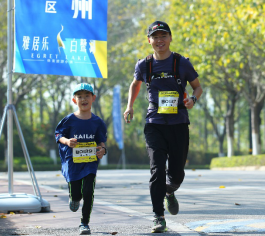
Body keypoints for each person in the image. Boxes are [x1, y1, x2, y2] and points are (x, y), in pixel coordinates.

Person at [124, 20, 203, 234]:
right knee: (157, 169)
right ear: (149, 40)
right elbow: (135, 83)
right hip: (154, 123)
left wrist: (192, 101)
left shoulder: (181, 63)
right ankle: (158, 216)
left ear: (170, 38)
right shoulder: (144, 65)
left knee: (176, 174)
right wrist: (130, 106)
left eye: (163, 36)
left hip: (178, 123)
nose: (159, 40)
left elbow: (197, 88)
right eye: (155, 37)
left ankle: (169, 191)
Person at [55, 82, 107, 235]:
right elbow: (58, 135)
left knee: (88, 191)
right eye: (79, 97)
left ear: (93, 98)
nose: (83, 99)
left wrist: (102, 150)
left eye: (87, 96)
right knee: (77, 193)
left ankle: (84, 223)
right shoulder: (69, 120)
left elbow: (101, 140)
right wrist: (67, 141)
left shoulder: (97, 122)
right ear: (74, 100)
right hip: (73, 162)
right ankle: (74, 197)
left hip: (90, 162)